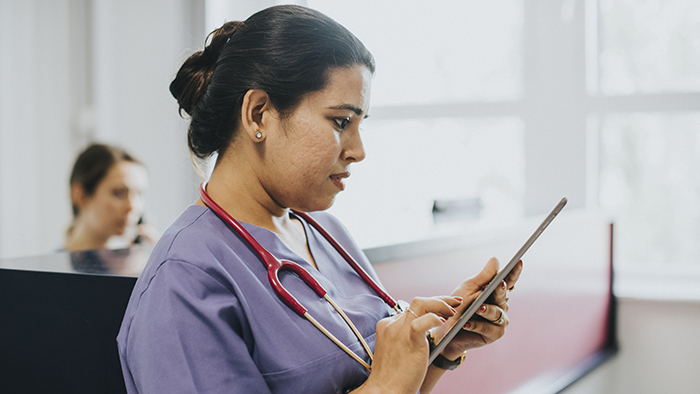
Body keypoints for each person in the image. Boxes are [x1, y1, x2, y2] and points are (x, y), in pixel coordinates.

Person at [117, 5, 522, 394]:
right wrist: (385, 385)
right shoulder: (185, 280)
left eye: (360, 125)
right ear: (259, 114)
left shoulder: (327, 233)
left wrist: (439, 349)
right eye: (341, 121)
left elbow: (381, 378)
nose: (358, 149)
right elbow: (383, 386)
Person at [65, 143, 155, 252]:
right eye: (119, 193)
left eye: (139, 194)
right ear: (81, 196)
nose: (133, 207)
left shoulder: (135, 261)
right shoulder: (48, 267)